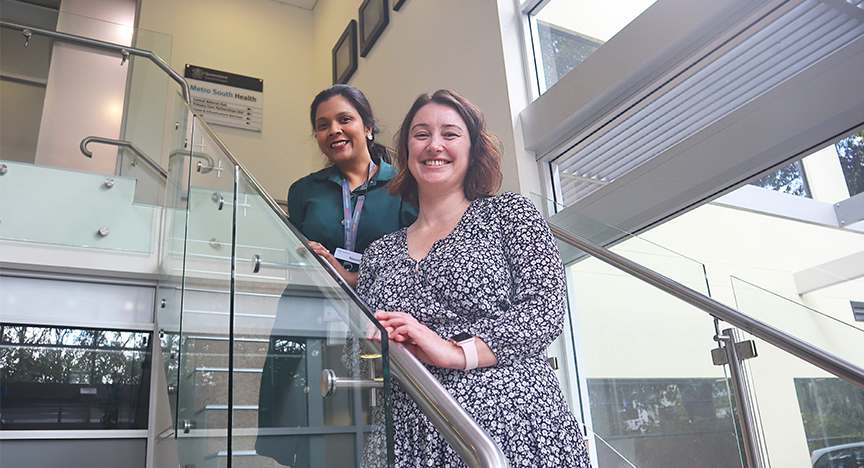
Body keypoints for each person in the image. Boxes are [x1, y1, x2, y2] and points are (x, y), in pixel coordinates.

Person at [356, 90, 591, 467]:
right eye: (421, 134)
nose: (434, 145)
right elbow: (360, 354)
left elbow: (544, 310)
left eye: (450, 134)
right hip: (409, 432)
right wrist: (377, 343)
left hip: (510, 425)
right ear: (406, 150)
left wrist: (454, 351)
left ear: (472, 149)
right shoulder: (379, 252)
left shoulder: (509, 214)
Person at [286, 84, 418, 287]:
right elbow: (294, 260)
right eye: (323, 126)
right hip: (308, 305)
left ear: (368, 128)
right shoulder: (302, 190)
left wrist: (348, 276)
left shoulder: (405, 186)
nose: (334, 130)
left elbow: (414, 265)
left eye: (344, 119)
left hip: (377, 311)